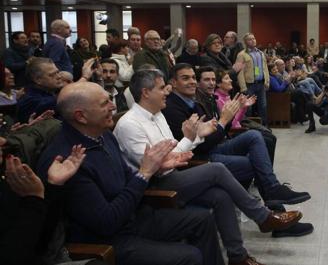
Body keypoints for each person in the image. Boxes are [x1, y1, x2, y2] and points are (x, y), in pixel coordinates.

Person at [114, 70, 303, 264]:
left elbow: (175, 152)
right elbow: (155, 166)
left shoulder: (157, 114)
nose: (166, 92)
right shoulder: (130, 124)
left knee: (221, 196)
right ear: (146, 93)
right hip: (153, 186)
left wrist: (194, 138)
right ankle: (262, 216)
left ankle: (238, 256)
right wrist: (191, 139)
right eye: (162, 88)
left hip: (172, 174)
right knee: (217, 169)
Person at [36, 82, 226, 265]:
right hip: (108, 239)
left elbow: (130, 178)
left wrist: (155, 169)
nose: (113, 106)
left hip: (135, 217)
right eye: (105, 104)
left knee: (202, 219)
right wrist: (144, 173)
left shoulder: (103, 135)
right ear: (81, 116)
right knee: (189, 256)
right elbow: (107, 222)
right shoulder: (67, 160)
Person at [161, 64, 310, 207]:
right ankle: (271, 204)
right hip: (200, 157)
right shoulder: (174, 108)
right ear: (173, 83)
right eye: (186, 78)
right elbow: (203, 143)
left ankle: (273, 190)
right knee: (254, 161)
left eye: (193, 77)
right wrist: (224, 121)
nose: (192, 81)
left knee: (255, 135)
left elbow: (214, 132)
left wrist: (225, 120)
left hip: (214, 145)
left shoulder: (194, 102)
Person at [0, 136, 106, 265]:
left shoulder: (7, 178)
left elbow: (42, 244)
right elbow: (13, 256)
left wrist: (54, 186)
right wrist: (33, 200)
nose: (3, 141)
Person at [236, 33, 269, 125]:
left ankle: (264, 126)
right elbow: (240, 72)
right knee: (248, 108)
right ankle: (249, 127)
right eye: (250, 39)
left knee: (263, 106)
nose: (253, 40)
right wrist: (243, 87)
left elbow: (265, 68)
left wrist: (267, 81)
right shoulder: (241, 55)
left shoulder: (260, 53)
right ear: (245, 42)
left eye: (254, 38)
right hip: (249, 85)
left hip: (261, 84)